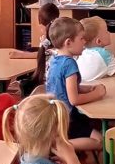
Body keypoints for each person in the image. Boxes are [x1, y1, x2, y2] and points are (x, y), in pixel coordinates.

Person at [45, 17, 106, 151]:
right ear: (68, 42)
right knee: (100, 141)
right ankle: (58, 147)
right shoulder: (69, 64)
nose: (84, 42)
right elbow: (74, 99)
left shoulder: (54, 59)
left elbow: (64, 88)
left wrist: (87, 88)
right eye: (81, 39)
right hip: (68, 119)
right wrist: (97, 93)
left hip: (54, 115)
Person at [78, 16, 115, 82]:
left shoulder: (81, 52)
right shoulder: (103, 54)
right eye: (106, 31)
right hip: (93, 87)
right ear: (99, 41)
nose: (109, 33)